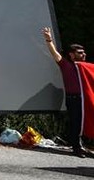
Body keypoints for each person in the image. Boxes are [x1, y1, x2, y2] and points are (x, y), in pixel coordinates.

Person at [42, 27, 90, 158]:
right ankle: (76, 147)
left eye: (84, 52)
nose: (83, 55)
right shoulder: (66, 65)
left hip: (84, 99)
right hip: (73, 99)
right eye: (80, 53)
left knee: (84, 122)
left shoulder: (85, 68)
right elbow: (55, 54)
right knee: (76, 122)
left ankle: (81, 145)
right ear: (71, 54)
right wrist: (48, 39)